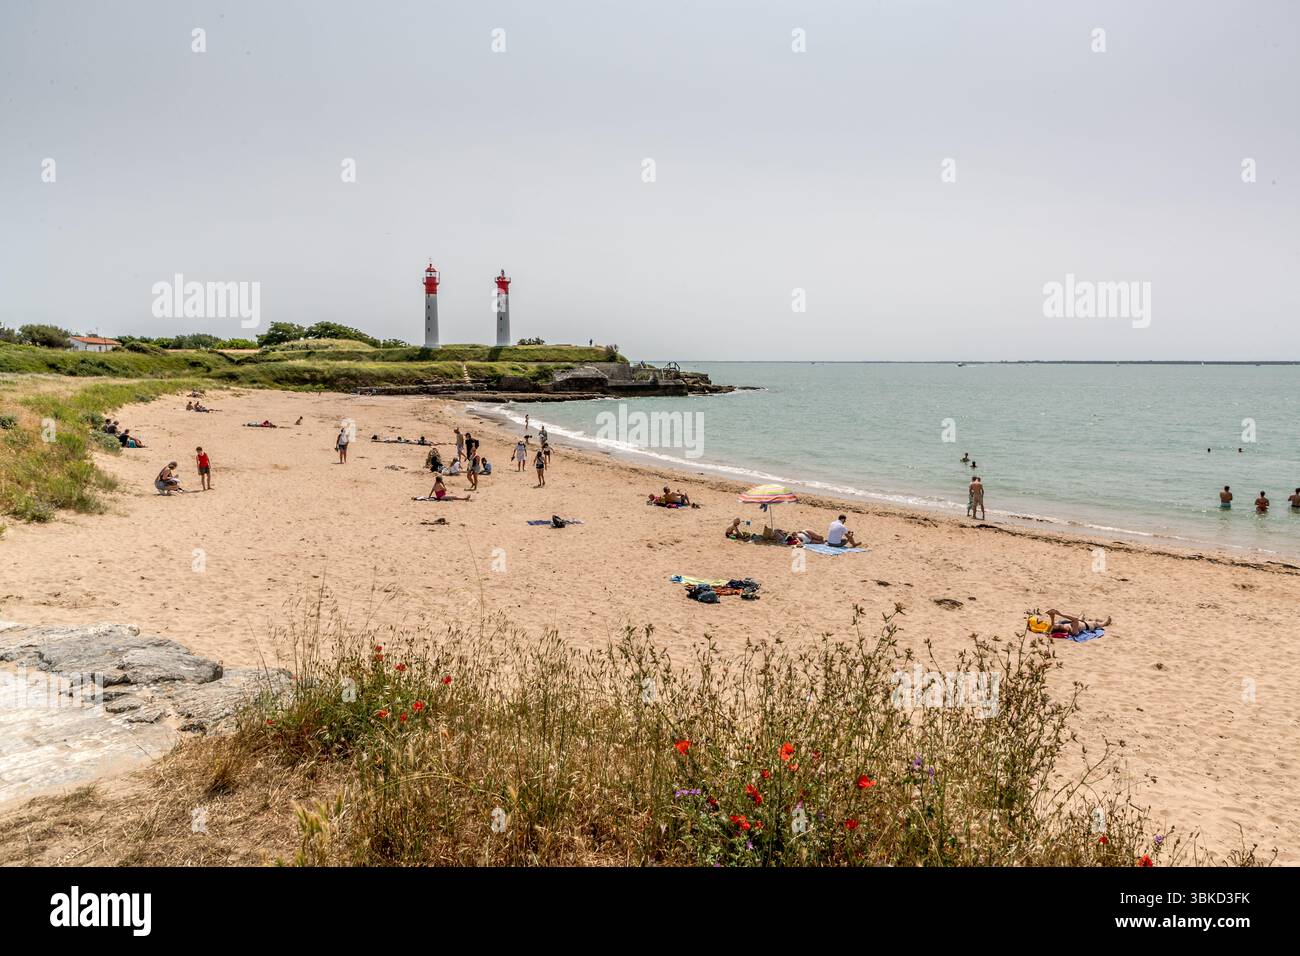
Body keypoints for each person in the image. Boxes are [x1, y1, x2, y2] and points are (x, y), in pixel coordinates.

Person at [1044, 609, 1111, 637]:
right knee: (1096, 623)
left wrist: (1052, 617)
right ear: (1065, 630)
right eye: (1061, 626)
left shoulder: (1063, 627)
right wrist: (1060, 614)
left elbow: (1053, 626)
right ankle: (1105, 623)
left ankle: (1083, 615)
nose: (1061, 624)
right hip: (1088, 626)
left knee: (1080, 617)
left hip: (1079, 622)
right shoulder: (1073, 631)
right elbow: (1075, 620)